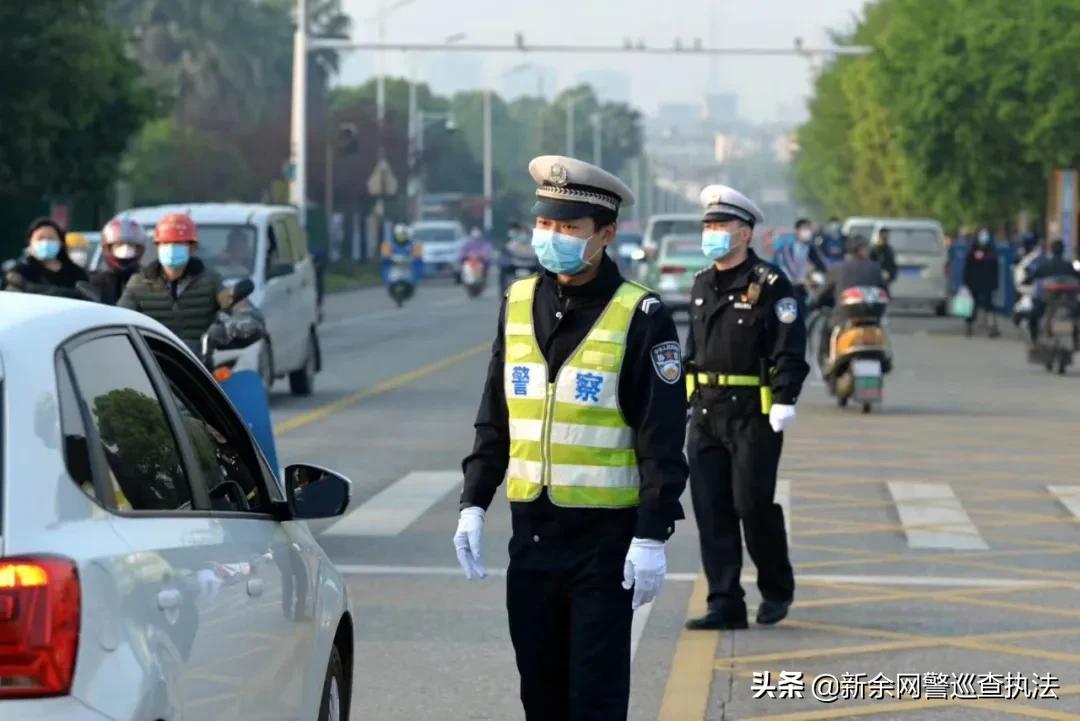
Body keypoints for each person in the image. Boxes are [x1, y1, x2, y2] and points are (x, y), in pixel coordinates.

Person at [454, 155, 688, 721]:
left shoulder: (640, 314)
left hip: (605, 546)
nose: (552, 237)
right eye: (547, 224)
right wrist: (473, 503)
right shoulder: (515, 302)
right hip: (532, 538)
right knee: (540, 692)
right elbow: (497, 415)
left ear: (605, 235)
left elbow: (661, 435)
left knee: (595, 698)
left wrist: (653, 533)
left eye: (569, 228)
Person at [682, 185, 808, 632]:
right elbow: (692, 352)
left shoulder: (772, 285)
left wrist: (785, 398)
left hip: (753, 414)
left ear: (745, 233)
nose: (712, 233)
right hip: (705, 413)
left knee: (751, 505)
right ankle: (725, 601)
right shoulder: (701, 284)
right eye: (708, 226)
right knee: (711, 509)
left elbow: (789, 346)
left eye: (721, 226)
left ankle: (776, 588)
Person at [118, 212, 263, 353]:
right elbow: (119, 320)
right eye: (166, 243)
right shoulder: (139, 284)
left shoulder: (210, 281)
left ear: (192, 247)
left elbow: (239, 308)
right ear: (158, 246)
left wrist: (229, 329)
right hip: (152, 365)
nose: (172, 248)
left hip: (197, 367)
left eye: (179, 243)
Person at [811, 235, 889, 370]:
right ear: (862, 250)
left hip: (843, 319)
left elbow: (821, 294)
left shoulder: (838, 268)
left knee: (827, 331)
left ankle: (828, 362)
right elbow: (886, 292)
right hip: (872, 320)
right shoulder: (875, 268)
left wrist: (814, 303)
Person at [2, 217, 89, 298]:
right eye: (40, 238)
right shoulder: (19, 272)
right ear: (30, 242)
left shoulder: (76, 272)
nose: (46, 242)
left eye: (51, 238)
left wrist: (30, 288)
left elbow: (85, 296)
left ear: (60, 243)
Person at [1024, 239, 1080, 343]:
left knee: (1032, 316)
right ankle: (1075, 341)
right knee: (1075, 316)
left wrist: (1026, 280)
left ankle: (1034, 341)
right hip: (1068, 303)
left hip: (1048, 302)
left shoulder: (1045, 265)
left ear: (1051, 250)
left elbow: (1031, 276)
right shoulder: (1069, 266)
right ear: (1063, 251)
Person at [90, 216, 148, 305]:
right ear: (108, 248)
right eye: (119, 246)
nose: (125, 251)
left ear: (139, 249)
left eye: (131, 246)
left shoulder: (149, 281)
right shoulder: (95, 283)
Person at [773, 218, 827, 308]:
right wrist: (800, 280)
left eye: (809, 229)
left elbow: (822, 265)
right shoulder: (787, 249)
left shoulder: (811, 249)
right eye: (805, 229)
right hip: (789, 286)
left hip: (805, 286)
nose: (808, 232)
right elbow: (788, 268)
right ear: (797, 231)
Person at [962, 228, 1000, 338]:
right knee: (972, 305)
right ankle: (969, 326)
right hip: (974, 282)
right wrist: (966, 281)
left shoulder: (991, 251)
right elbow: (968, 266)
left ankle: (992, 327)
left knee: (988, 305)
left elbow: (995, 267)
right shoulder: (973, 250)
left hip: (987, 282)